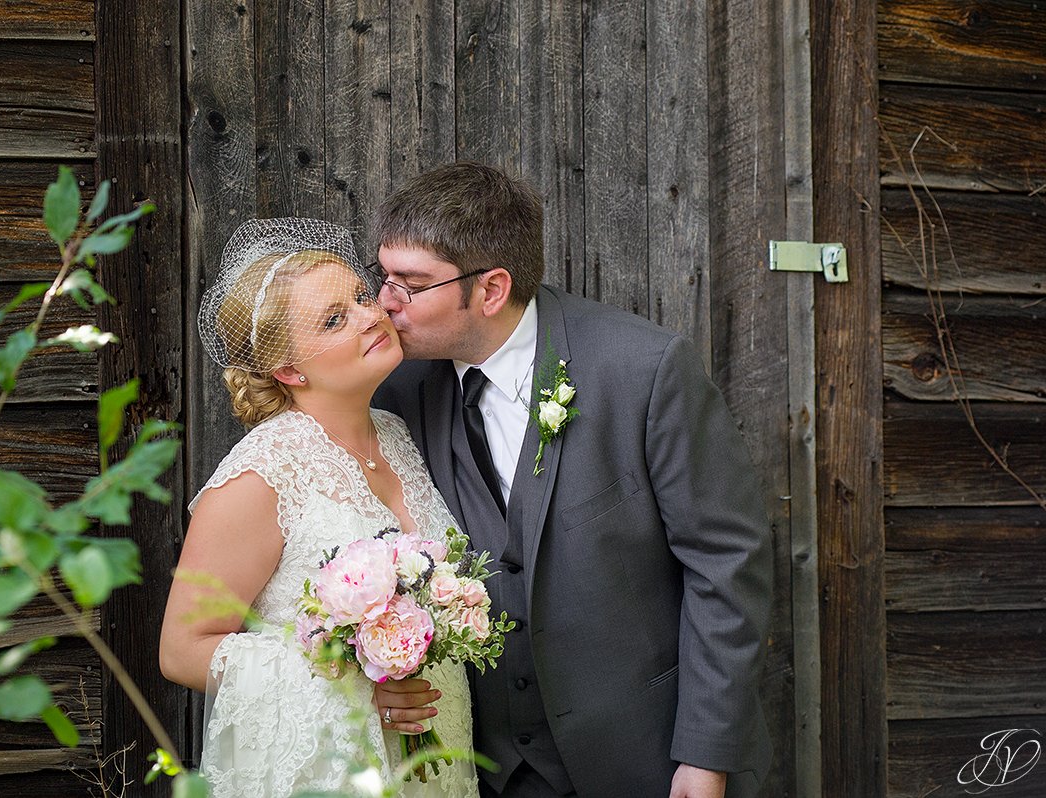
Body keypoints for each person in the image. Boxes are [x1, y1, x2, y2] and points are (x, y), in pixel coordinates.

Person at [370, 162, 774, 798]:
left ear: (491, 290)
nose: (385, 303)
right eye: (383, 277)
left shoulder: (643, 369)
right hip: (479, 765)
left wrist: (706, 751)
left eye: (410, 285)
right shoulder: (393, 390)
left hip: (644, 756)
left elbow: (726, 564)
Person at [159, 218, 480, 798]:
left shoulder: (398, 436)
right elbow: (182, 651)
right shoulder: (265, 471)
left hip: (436, 759)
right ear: (288, 371)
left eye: (360, 296)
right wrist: (361, 676)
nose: (369, 315)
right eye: (335, 319)